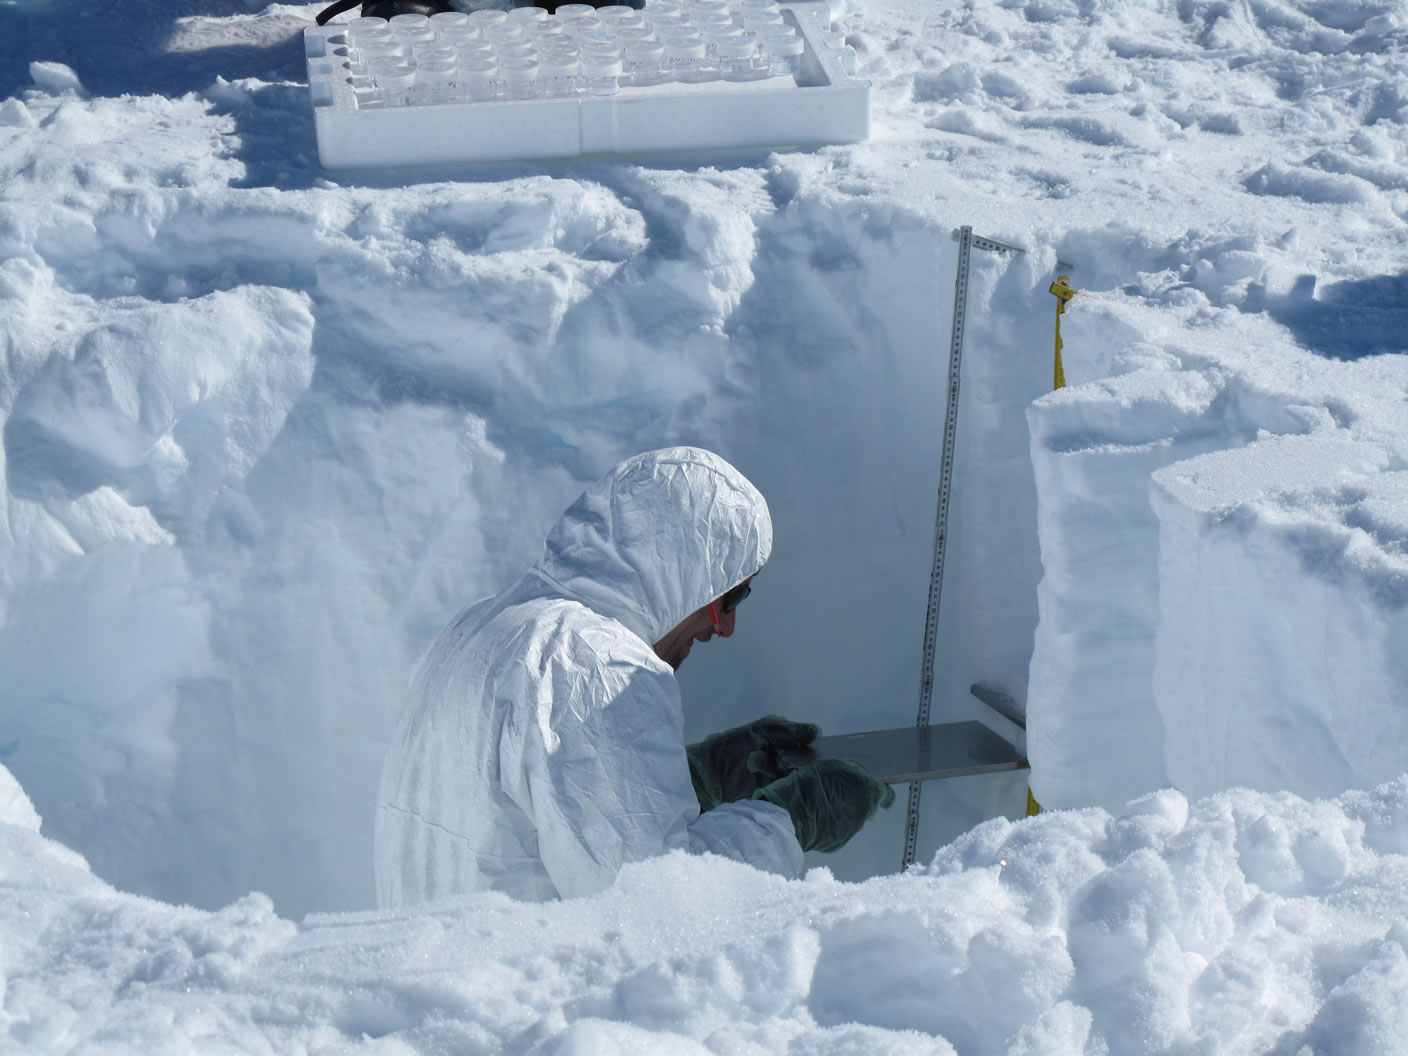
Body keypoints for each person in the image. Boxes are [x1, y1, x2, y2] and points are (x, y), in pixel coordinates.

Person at [374, 446, 892, 906]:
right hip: (533, 1006)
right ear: (685, 572)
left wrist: (702, 777)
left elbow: (542, 814)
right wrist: (793, 820)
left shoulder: (484, 626)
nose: (727, 627)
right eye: (731, 597)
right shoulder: (589, 661)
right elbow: (661, 905)